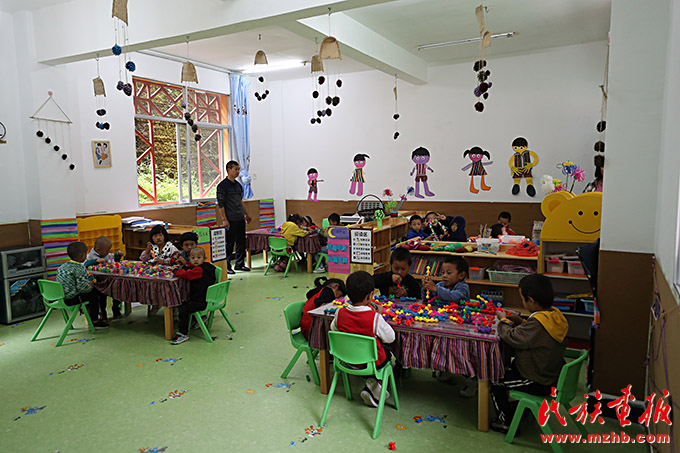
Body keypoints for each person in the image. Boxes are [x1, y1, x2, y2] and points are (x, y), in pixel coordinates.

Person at [490, 274, 568, 433]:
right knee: (507, 370)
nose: (522, 302)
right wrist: (519, 321)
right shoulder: (554, 314)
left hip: (536, 379)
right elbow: (535, 333)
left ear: (531, 300)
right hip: (551, 374)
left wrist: (503, 321)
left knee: (495, 381)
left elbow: (512, 337)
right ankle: (520, 410)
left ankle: (505, 422)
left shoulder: (538, 323)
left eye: (522, 299)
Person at [330, 271, 395, 407]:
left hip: (346, 360)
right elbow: (390, 338)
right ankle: (377, 385)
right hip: (369, 363)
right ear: (370, 295)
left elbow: (334, 330)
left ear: (348, 295)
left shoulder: (339, 313)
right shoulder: (374, 318)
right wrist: (380, 316)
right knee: (386, 352)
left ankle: (372, 384)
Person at [56, 241, 108, 329]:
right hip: (71, 299)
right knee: (94, 294)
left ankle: (91, 317)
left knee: (91, 293)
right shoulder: (79, 268)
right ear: (82, 254)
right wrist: (91, 285)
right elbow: (83, 289)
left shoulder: (63, 266)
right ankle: (94, 321)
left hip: (61, 297)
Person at [170, 248, 217, 345]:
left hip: (200, 301)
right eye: (193, 258)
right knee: (184, 304)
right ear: (189, 259)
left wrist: (175, 271)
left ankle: (183, 333)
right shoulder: (208, 266)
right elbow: (191, 269)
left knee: (183, 308)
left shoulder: (198, 270)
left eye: (198, 258)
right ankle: (200, 318)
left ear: (204, 258)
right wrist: (186, 265)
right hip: (209, 300)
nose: (195, 260)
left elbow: (187, 274)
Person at [216, 160, 252, 274]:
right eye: (235, 169)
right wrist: (224, 219)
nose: (237, 172)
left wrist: (246, 214)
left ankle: (239, 264)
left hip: (240, 218)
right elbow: (221, 204)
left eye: (238, 169)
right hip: (230, 219)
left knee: (241, 242)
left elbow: (240, 201)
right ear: (228, 170)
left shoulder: (238, 185)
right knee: (229, 243)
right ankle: (227, 266)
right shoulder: (222, 186)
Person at [83, 236, 123, 320]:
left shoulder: (106, 254)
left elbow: (114, 258)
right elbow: (85, 265)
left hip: (109, 281)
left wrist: (118, 255)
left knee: (118, 289)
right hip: (97, 283)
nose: (108, 252)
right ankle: (102, 313)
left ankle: (115, 308)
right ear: (98, 250)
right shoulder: (90, 256)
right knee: (101, 297)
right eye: (107, 250)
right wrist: (95, 261)